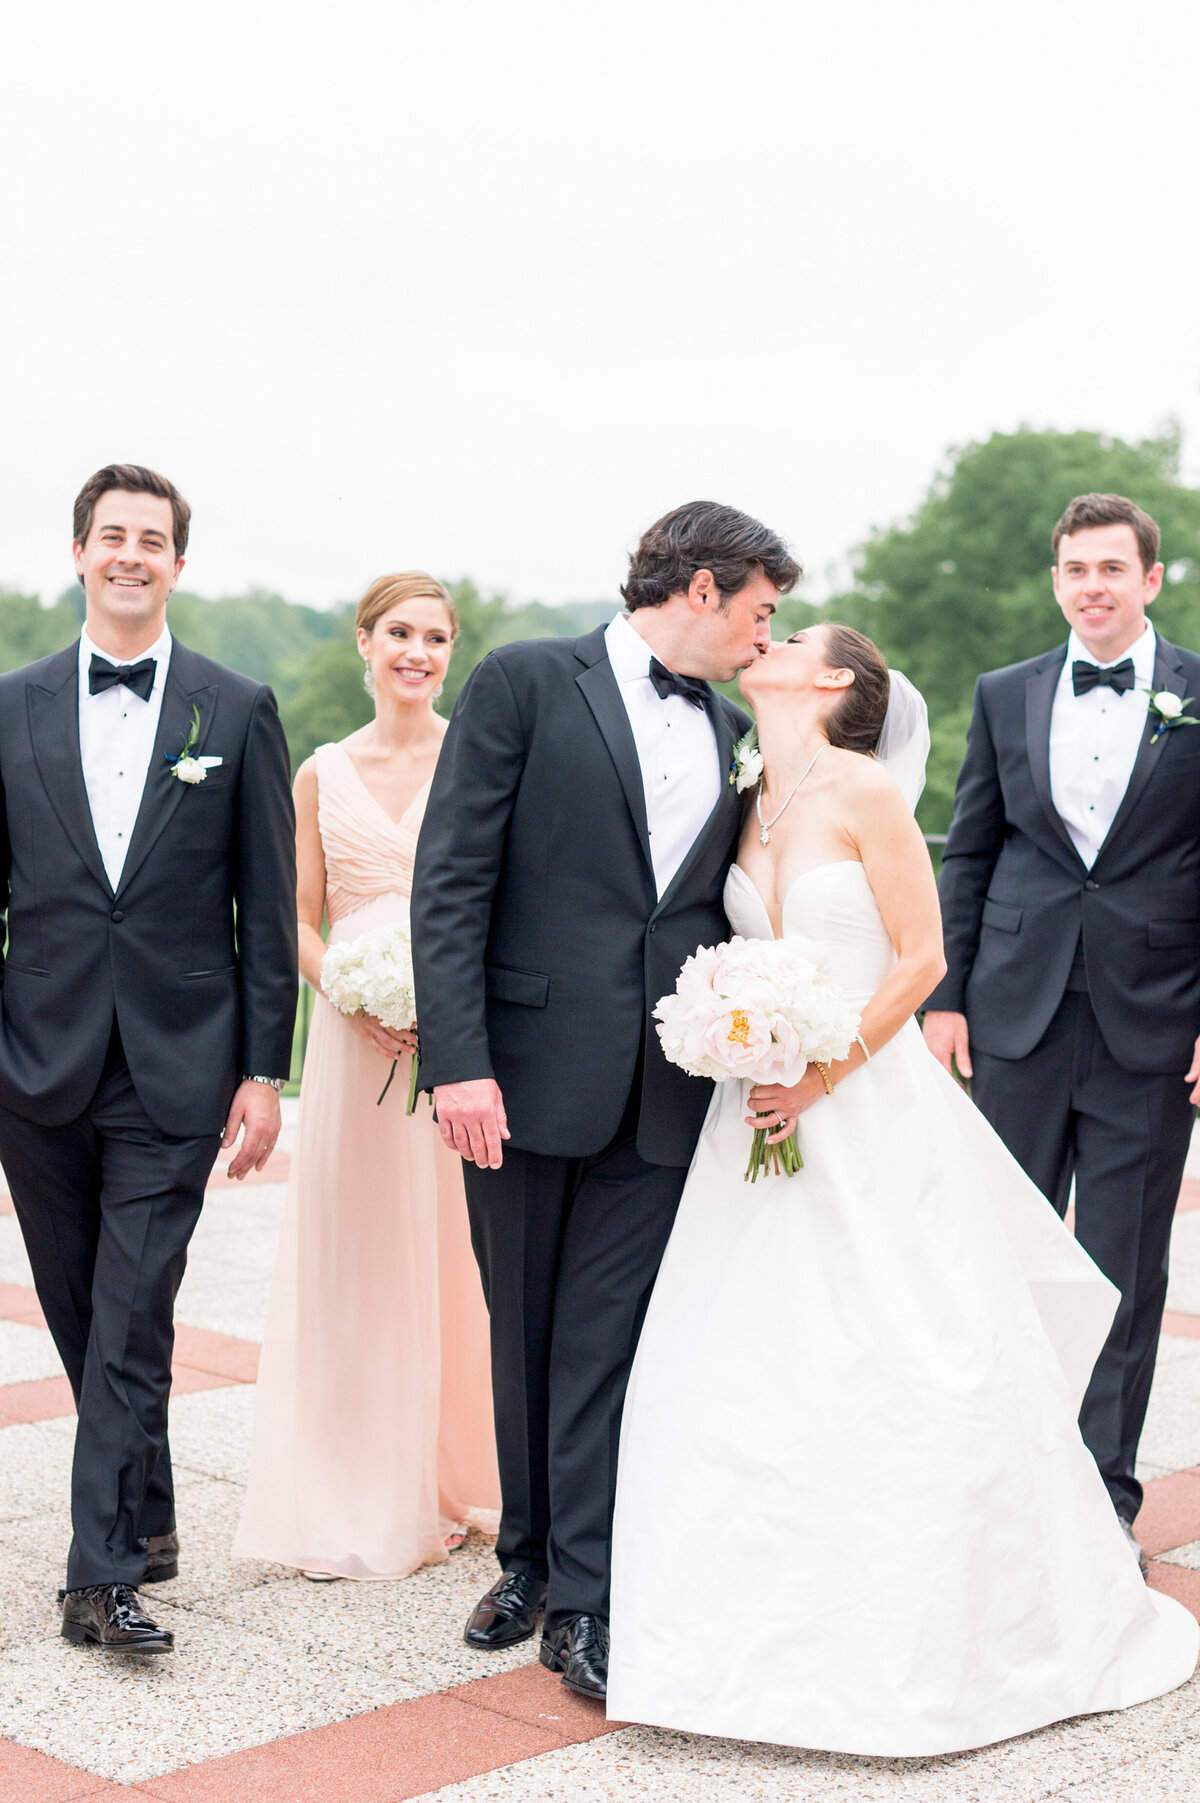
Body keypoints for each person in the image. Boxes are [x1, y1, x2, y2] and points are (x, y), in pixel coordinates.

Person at [607, 622, 1198, 1753]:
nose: (763, 639)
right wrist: (735, 1036)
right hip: (754, 1111)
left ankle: (924, 1626)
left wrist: (819, 1073)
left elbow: (920, 960)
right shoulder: (750, 793)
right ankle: (733, 1623)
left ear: (832, 682)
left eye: (793, 636)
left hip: (860, 1104)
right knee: (742, 1351)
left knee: (901, 1347)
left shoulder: (867, 793)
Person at [411, 502, 797, 1699]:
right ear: (699, 587)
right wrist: (458, 1062)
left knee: (605, 1344)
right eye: (758, 609)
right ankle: (523, 1556)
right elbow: (452, 876)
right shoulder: (527, 681)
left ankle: (585, 1595)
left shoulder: (738, 730)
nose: (761, 636)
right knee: (520, 1330)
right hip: (519, 1080)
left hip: (666, 1092)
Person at [0, 464, 297, 1653]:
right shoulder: (9, 705)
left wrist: (263, 1069)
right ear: (79, 552)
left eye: (153, 539)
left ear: (179, 562)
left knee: (130, 1315)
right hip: (36, 1061)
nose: (131, 554)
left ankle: (100, 1575)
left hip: (177, 1066)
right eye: (111, 535)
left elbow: (267, 913)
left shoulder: (235, 708)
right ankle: (151, 1507)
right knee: (85, 1315)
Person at [923, 493, 1200, 1570]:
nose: (1092, 585)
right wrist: (946, 999)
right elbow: (971, 851)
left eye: (1111, 569)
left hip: (1154, 1021)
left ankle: (1101, 1502)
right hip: (1015, 1017)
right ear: (1056, 582)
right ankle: (1005, 1486)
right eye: (1075, 569)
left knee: (1122, 1271)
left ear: (1151, 579)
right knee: (1006, 1261)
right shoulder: (1004, 695)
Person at [234, 573, 499, 1579]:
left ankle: (443, 1478)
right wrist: (343, 989)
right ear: (364, 641)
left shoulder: (475, 759)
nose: (417, 653)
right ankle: (349, 1487)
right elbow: (295, 914)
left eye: (435, 637)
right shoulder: (320, 773)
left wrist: (443, 1006)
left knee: (450, 1256)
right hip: (349, 1044)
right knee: (353, 1254)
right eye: (400, 632)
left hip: (453, 1038)